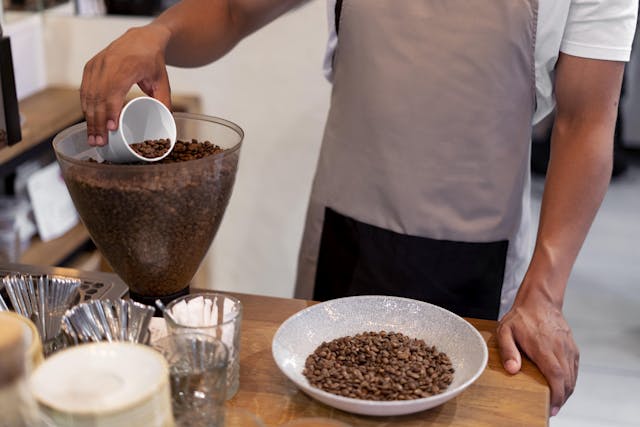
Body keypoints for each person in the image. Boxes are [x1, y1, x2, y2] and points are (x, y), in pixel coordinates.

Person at [80, 0, 638, 416]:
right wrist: (158, 31)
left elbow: (586, 120)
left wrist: (543, 294)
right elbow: (231, 11)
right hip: (341, 242)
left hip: (483, 259)